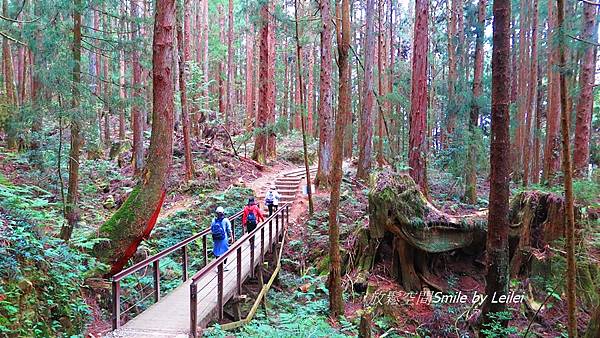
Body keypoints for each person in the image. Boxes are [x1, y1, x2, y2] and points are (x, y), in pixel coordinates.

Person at [211, 206, 233, 271]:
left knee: (217, 251)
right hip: (224, 238)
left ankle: (218, 267)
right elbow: (229, 229)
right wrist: (232, 237)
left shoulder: (213, 220)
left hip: (216, 238)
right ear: (223, 212)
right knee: (225, 251)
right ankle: (224, 265)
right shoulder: (225, 220)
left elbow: (211, 229)